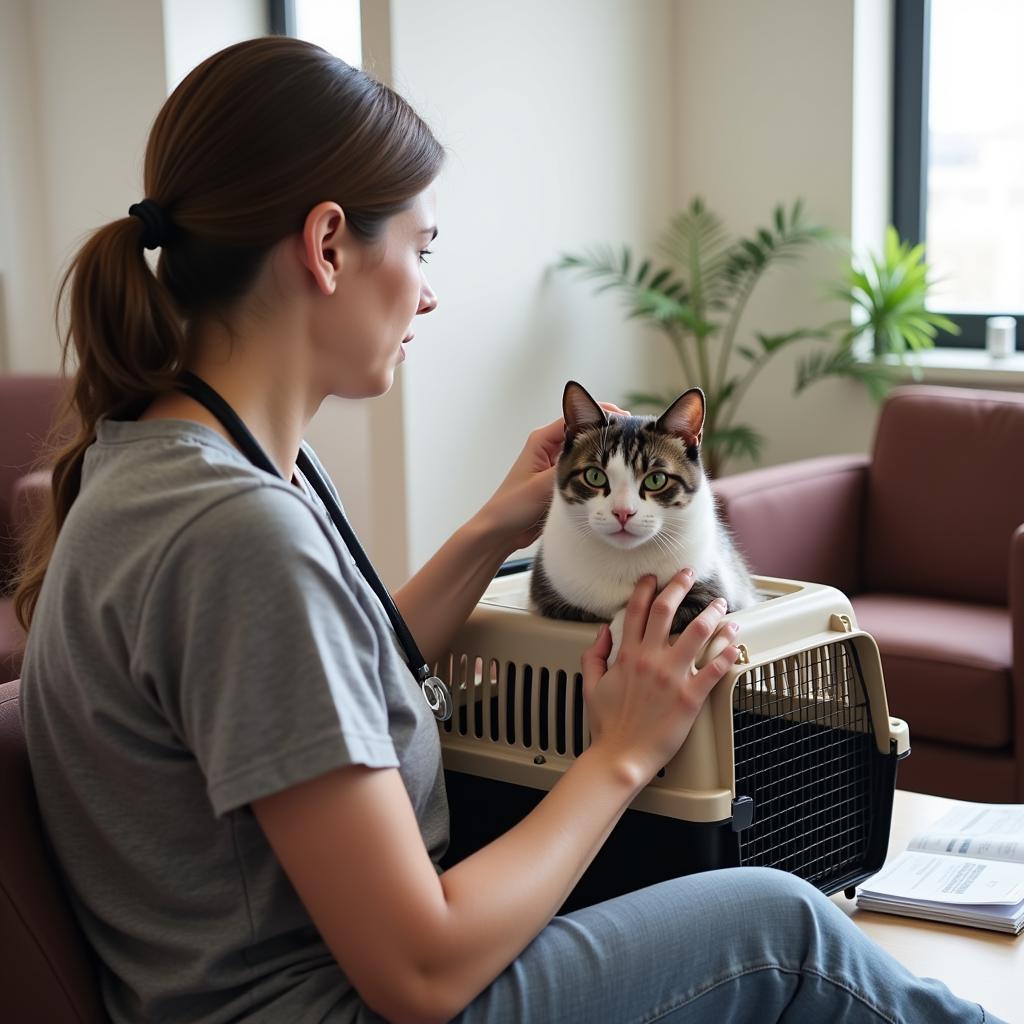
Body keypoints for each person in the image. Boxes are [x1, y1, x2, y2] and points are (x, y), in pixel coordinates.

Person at [14, 36, 1004, 1024]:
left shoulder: (173, 461)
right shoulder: (235, 532)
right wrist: (620, 752)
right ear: (325, 246)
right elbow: (419, 971)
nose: (431, 291)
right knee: (779, 928)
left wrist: (496, 523)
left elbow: (337, 673)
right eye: (421, 248)